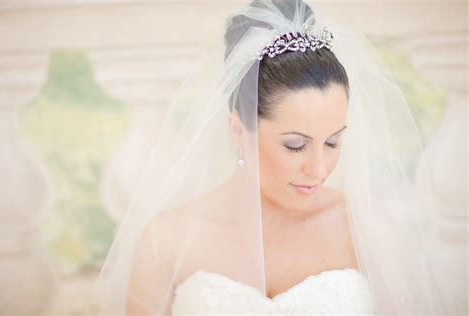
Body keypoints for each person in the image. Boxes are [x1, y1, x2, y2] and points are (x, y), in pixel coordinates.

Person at [98, 0, 459, 315]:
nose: (319, 170)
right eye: (295, 145)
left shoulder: (367, 230)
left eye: (333, 142)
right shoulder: (165, 242)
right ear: (239, 131)